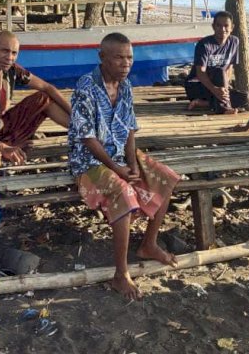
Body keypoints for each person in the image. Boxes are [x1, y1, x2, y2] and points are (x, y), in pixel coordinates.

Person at [68, 33, 180, 300]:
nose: (125, 63)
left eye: (129, 57)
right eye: (118, 57)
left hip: (119, 155)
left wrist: (132, 164)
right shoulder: (85, 86)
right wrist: (117, 170)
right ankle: (120, 274)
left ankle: (149, 244)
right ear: (102, 57)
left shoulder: (126, 86)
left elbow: (130, 130)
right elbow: (87, 138)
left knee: (166, 178)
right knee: (124, 193)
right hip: (90, 160)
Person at [0, 31, 72, 169]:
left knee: (43, 98)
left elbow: (47, 87)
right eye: (4, 51)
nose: (9, 57)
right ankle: (3, 152)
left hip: (2, 127)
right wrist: (1, 146)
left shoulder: (11, 69)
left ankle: (84, 134)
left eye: (14, 53)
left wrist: (77, 118)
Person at [184, 11, 249, 114]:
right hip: (197, 85)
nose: (222, 29)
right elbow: (200, 72)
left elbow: (229, 67)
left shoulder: (234, 42)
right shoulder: (204, 45)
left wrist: (225, 88)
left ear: (232, 27)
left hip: (218, 86)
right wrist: (215, 90)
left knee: (245, 98)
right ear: (213, 27)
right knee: (219, 70)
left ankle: (204, 103)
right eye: (218, 26)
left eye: (226, 26)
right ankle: (224, 108)